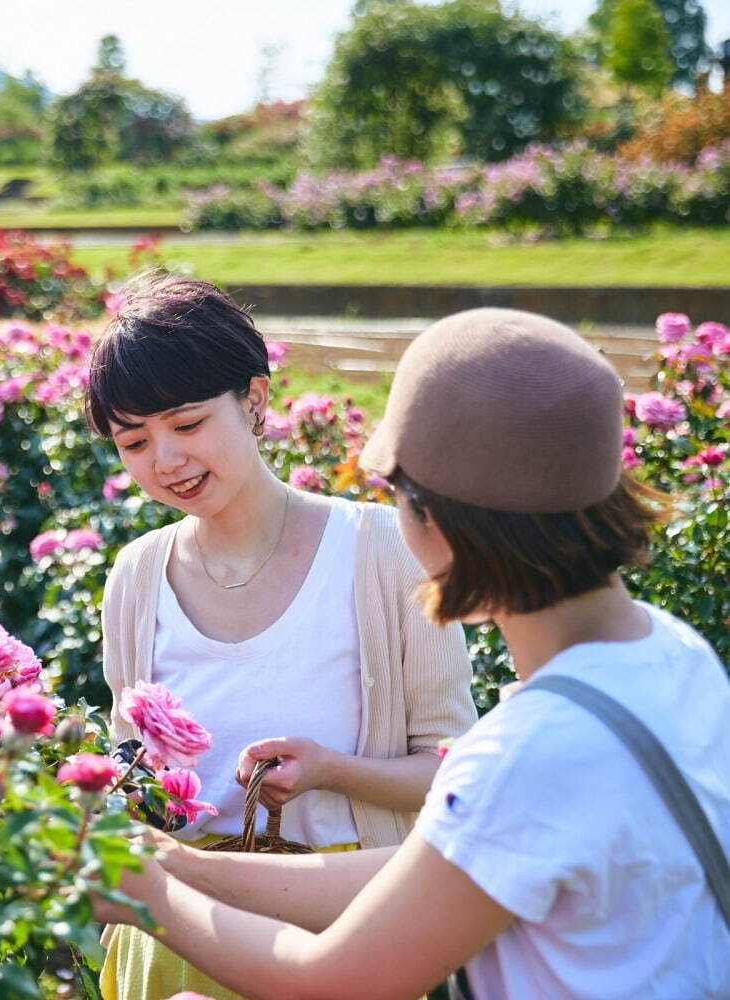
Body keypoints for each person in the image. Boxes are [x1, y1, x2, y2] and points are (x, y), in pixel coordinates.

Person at [94, 307, 730, 999]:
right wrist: (181, 867)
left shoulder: (527, 756)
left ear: (436, 521)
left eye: (394, 493)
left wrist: (146, 890)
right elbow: (417, 875)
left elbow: (338, 978)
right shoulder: (674, 653)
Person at [87, 274, 476, 1000]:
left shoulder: (382, 550)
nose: (165, 460)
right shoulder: (138, 576)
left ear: (255, 401)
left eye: (187, 423)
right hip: (173, 934)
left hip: (341, 935)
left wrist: (334, 770)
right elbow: (129, 775)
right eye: (133, 441)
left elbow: (460, 780)